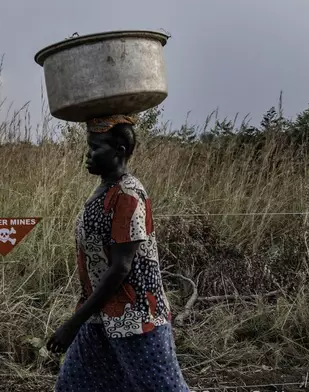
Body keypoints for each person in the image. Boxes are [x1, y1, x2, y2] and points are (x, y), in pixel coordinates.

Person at [47, 115, 190, 392]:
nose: (87, 155)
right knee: (73, 386)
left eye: (95, 147)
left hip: (135, 317)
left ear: (119, 151)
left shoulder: (128, 194)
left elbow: (120, 268)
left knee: (161, 388)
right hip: (100, 315)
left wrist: (72, 324)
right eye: (88, 146)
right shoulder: (104, 190)